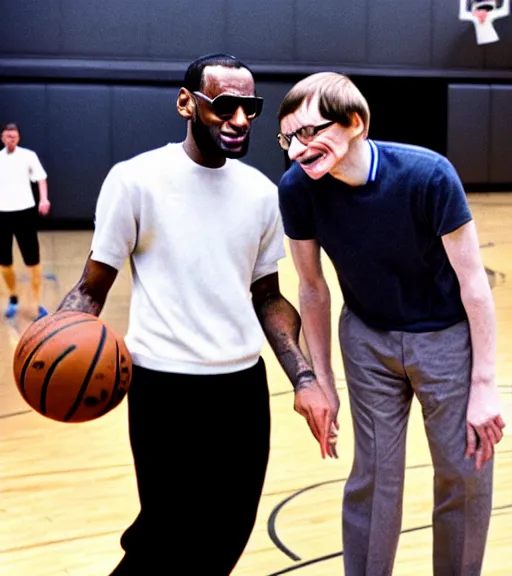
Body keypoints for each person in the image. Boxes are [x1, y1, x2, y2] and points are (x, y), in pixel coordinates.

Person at [54, 54, 334, 575]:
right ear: (186, 103)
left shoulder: (260, 194)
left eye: (249, 108)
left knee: (227, 534)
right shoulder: (135, 180)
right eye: (224, 106)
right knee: (163, 539)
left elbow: (268, 297)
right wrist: (53, 341)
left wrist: (305, 378)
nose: (239, 120)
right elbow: (93, 288)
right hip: (164, 389)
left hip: (241, 390)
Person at [276, 72, 506, 576]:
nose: (298, 148)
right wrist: (322, 380)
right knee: (375, 477)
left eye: (311, 132)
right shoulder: (297, 189)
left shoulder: (428, 175)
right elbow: (313, 288)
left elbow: (474, 284)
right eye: (288, 137)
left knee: (464, 472)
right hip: (367, 337)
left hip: (445, 336)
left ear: (355, 123)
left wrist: (484, 384)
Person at [0, 123, 50, 319]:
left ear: (18, 138)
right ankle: (13, 297)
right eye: (7, 136)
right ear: (2, 138)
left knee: (33, 259)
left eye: (14, 136)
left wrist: (44, 198)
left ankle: (37, 303)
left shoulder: (29, 156)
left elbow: (41, 178)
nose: (11, 139)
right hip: (2, 214)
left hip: (25, 213)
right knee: (4, 262)